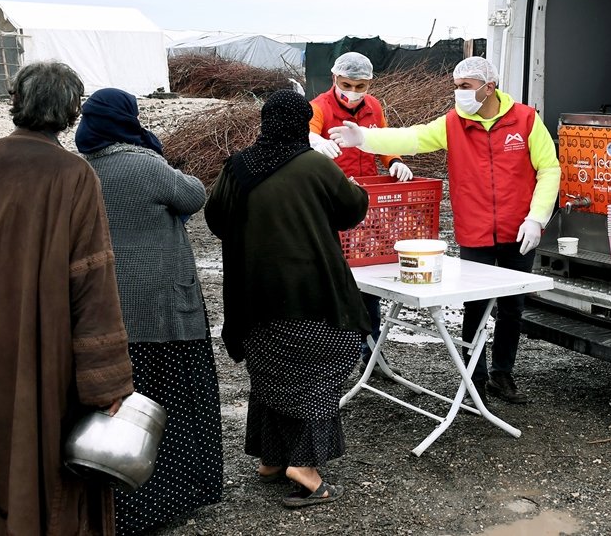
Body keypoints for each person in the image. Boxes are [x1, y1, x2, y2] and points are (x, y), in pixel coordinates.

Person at [0, 62, 134, 535]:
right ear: (71, 111)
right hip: (38, 352)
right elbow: (92, 282)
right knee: (34, 456)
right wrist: (107, 384)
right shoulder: (74, 175)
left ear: (16, 102)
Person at [329, 56, 560, 404]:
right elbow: (412, 138)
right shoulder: (453, 123)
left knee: (513, 307)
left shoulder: (525, 120)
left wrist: (537, 217)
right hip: (476, 231)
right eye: (457, 86)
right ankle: (474, 382)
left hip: (519, 230)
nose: (459, 93)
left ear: (489, 88)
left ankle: (502, 375)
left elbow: (549, 168)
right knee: (476, 308)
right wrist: (364, 138)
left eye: (465, 87)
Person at [205, 89, 371, 508]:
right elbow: (352, 210)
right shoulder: (315, 165)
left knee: (270, 370)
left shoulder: (238, 167)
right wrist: (351, 187)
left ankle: (272, 458)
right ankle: (306, 468)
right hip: (314, 295)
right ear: (301, 124)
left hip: (253, 299)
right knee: (321, 366)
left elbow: (215, 219)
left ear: (265, 123)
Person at [75, 87, 223, 532]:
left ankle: (118, 499)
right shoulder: (146, 164)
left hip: (105, 313)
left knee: (118, 410)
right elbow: (194, 196)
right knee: (171, 409)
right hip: (162, 310)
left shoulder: (82, 170)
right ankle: (173, 495)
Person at [308, 51, 414, 376]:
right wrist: (313, 139)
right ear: (334, 79)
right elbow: (308, 132)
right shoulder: (319, 106)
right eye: (347, 84)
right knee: (337, 279)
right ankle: (336, 358)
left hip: (368, 204)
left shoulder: (374, 107)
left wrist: (394, 160)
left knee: (370, 277)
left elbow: (380, 140)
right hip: (332, 204)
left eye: (360, 85)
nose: (353, 91)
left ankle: (372, 356)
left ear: (369, 83)